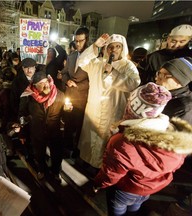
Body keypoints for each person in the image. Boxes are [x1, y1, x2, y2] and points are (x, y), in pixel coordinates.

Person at [93, 82, 192, 216]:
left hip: (125, 189)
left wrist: (99, 184)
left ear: (131, 107)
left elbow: (112, 173)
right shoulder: (174, 133)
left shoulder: (122, 141)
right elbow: (176, 164)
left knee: (118, 211)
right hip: (150, 189)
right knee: (135, 209)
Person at [77, 33, 140, 169]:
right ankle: (86, 161)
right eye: (111, 46)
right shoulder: (98, 63)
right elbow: (81, 62)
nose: (114, 49)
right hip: (94, 109)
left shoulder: (128, 66)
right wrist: (94, 46)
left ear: (122, 49)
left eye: (118, 46)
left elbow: (133, 83)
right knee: (91, 135)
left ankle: (100, 167)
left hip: (114, 110)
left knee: (106, 140)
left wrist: (113, 73)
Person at [18, 72, 71, 181]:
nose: (46, 85)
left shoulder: (59, 94)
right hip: (37, 131)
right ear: (35, 86)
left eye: (46, 82)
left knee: (56, 154)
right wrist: (22, 132)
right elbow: (22, 114)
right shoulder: (28, 96)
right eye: (41, 84)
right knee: (39, 153)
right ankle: (41, 170)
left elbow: (64, 117)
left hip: (54, 131)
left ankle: (56, 171)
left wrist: (67, 111)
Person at [60, 26, 90, 156]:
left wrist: (78, 85)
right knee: (68, 123)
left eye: (81, 41)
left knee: (79, 126)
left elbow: (93, 80)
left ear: (87, 40)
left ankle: (77, 150)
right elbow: (64, 73)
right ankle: (66, 148)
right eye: (76, 41)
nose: (78, 44)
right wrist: (67, 81)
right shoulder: (71, 56)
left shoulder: (93, 58)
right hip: (69, 96)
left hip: (82, 98)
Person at [155, 57, 192, 123]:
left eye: (164, 75)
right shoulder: (160, 91)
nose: (157, 78)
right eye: (159, 73)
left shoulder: (184, 109)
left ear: (180, 81)